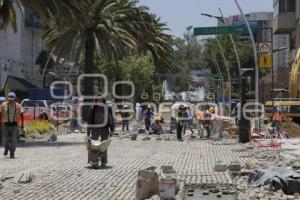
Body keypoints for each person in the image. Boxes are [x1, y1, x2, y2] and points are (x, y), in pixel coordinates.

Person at [87, 96, 113, 167]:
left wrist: (112, 129)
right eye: (98, 100)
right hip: (95, 128)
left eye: (101, 100)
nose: (99, 101)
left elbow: (111, 119)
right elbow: (89, 120)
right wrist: (88, 132)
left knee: (104, 145)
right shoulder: (93, 109)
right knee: (93, 145)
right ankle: (92, 160)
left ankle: (104, 161)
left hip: (104, 128)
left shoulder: (107, 109)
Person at [1, 92, 24, 158]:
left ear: (15, 98)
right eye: (9, 98)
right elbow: (0, 114)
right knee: (5, 140)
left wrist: (22, 124)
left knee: (14, 140)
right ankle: (6, 148)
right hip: (5, 125)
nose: (11, 100)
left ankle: (12, 153)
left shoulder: (18, 105)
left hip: (14, 125)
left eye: (12, 98)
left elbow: (22, 114)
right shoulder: (3, 105)